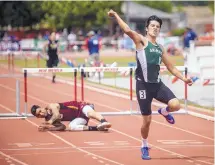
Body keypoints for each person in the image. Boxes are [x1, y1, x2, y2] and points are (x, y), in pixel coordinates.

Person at [108, 10, 193, 160]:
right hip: (143, 87)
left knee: (176, 105)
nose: (155, 28)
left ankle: (165, 112)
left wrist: (184, 79)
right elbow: (127, 30)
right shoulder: (141, 41)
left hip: (157, 85)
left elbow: (171, 68)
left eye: (157, 26)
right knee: (147, 121)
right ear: (147, 28)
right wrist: (115, 15)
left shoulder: (160, 48)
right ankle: (144, 145)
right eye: (152, 25)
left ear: (159, 29)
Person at [30, 100, 112, 132]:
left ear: (41, 107)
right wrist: (48, 128)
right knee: (71, 127)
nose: (41, 114)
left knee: (90, 113)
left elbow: (56, 114)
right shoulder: (48, 119)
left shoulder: (51, 106)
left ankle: (104, 121)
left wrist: (49, 122)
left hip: (80, 107)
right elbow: (62, 127)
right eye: (39, 115)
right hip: (78, 118)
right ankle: (97, 128)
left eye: (40, 111)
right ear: (38, 117)